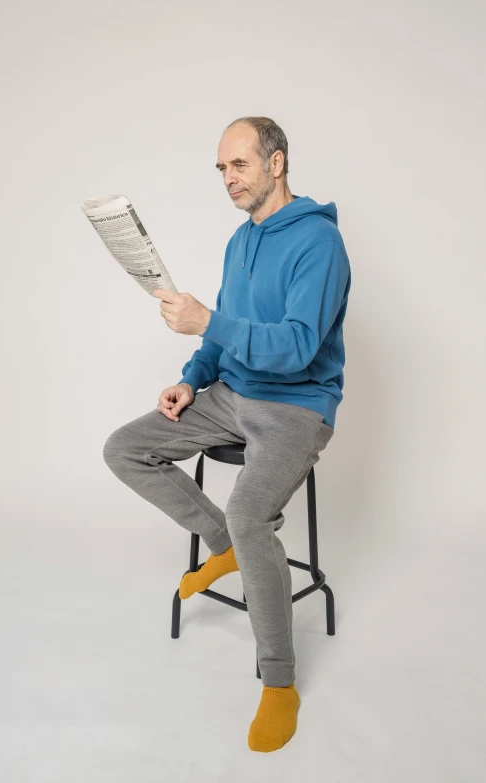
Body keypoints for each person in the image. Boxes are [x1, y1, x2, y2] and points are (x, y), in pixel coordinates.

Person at [103, 116, 351, 752]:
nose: (227, 179)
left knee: (250, 514)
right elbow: (224, 331)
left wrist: (207, 320)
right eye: (221, 168)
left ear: (277, 163)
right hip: (230, 394)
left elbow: (297, 349)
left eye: (238, 165)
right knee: (126, 449)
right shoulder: (241, 241)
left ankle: (279, 683)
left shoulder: (319, 242)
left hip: (296, 407)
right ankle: (225, 545)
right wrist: (191, 379)